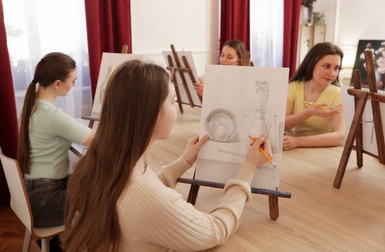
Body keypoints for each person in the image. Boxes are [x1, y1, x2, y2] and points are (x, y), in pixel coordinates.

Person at [63, 60, 272, 251]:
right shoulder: (148, 198)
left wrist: (184, 162)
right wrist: (249, 168)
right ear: (151, 113)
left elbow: (139, 197)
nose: (176, 109)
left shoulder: (100, 163)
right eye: (172, 101)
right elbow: (215, 229)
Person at [17, 52, 95, 250]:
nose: (74, 86)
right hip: (44, 203)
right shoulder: (52, 115)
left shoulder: (31, 108)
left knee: (87, 180)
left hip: (30, 194)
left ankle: (58, 244)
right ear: (58, 84)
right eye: (73, 81)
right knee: (102, 193)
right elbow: (97, 140)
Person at [283, 42, 345, 151]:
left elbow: (338, 137)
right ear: (311, 64)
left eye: (336, 68)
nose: (332, 73)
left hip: (322, 149)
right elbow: (281, 125)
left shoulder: (338, 94)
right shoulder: (292, 88)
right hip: (291, 147)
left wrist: (298, 141)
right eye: (326, 66)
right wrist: (310, 111)